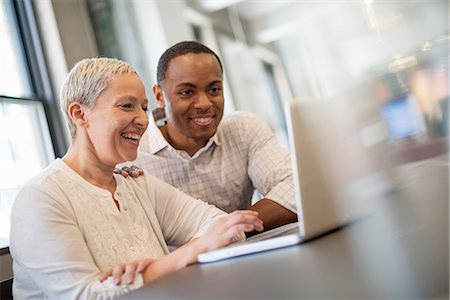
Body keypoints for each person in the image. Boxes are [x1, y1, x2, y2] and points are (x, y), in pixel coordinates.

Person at [9, 57, 263, 299]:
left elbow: (225, 228)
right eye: (127, 105)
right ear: (79, 114)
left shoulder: (136, 183)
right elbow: (85, 296)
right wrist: (179, 258)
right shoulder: (40, 198)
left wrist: (153, 270)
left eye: (143, 107)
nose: (143, 120)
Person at [121, 41, 297, 233]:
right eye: (187, 92)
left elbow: (295, 188)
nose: (204, 104)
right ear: (159, 96)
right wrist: (213, 238)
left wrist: (227, 231)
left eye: (214, 90)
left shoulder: (245, 129)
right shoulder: (131, 155)